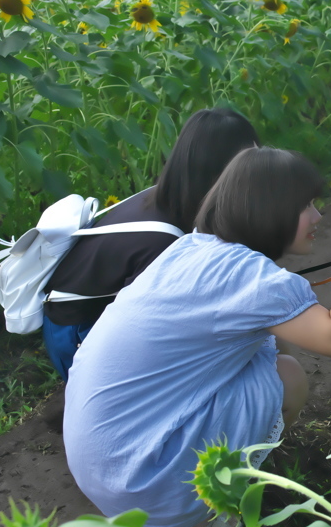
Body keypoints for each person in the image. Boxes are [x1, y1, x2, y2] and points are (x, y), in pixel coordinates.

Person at [62, 147, 331, 527]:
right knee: (287, 377)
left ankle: (200, 488)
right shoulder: (247, 277)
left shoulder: (192, 247)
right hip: (144, 482)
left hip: (104, 460)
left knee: (264, 349)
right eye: (304, 205)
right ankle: (196, 515)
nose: (318, 217)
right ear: (268, 209)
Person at [41, 108, 261, 381]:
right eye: (249, 167)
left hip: (78, 318)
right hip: (77, 335)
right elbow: (153, 325)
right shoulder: (164, 241)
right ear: (219, 170)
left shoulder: (169, 196)